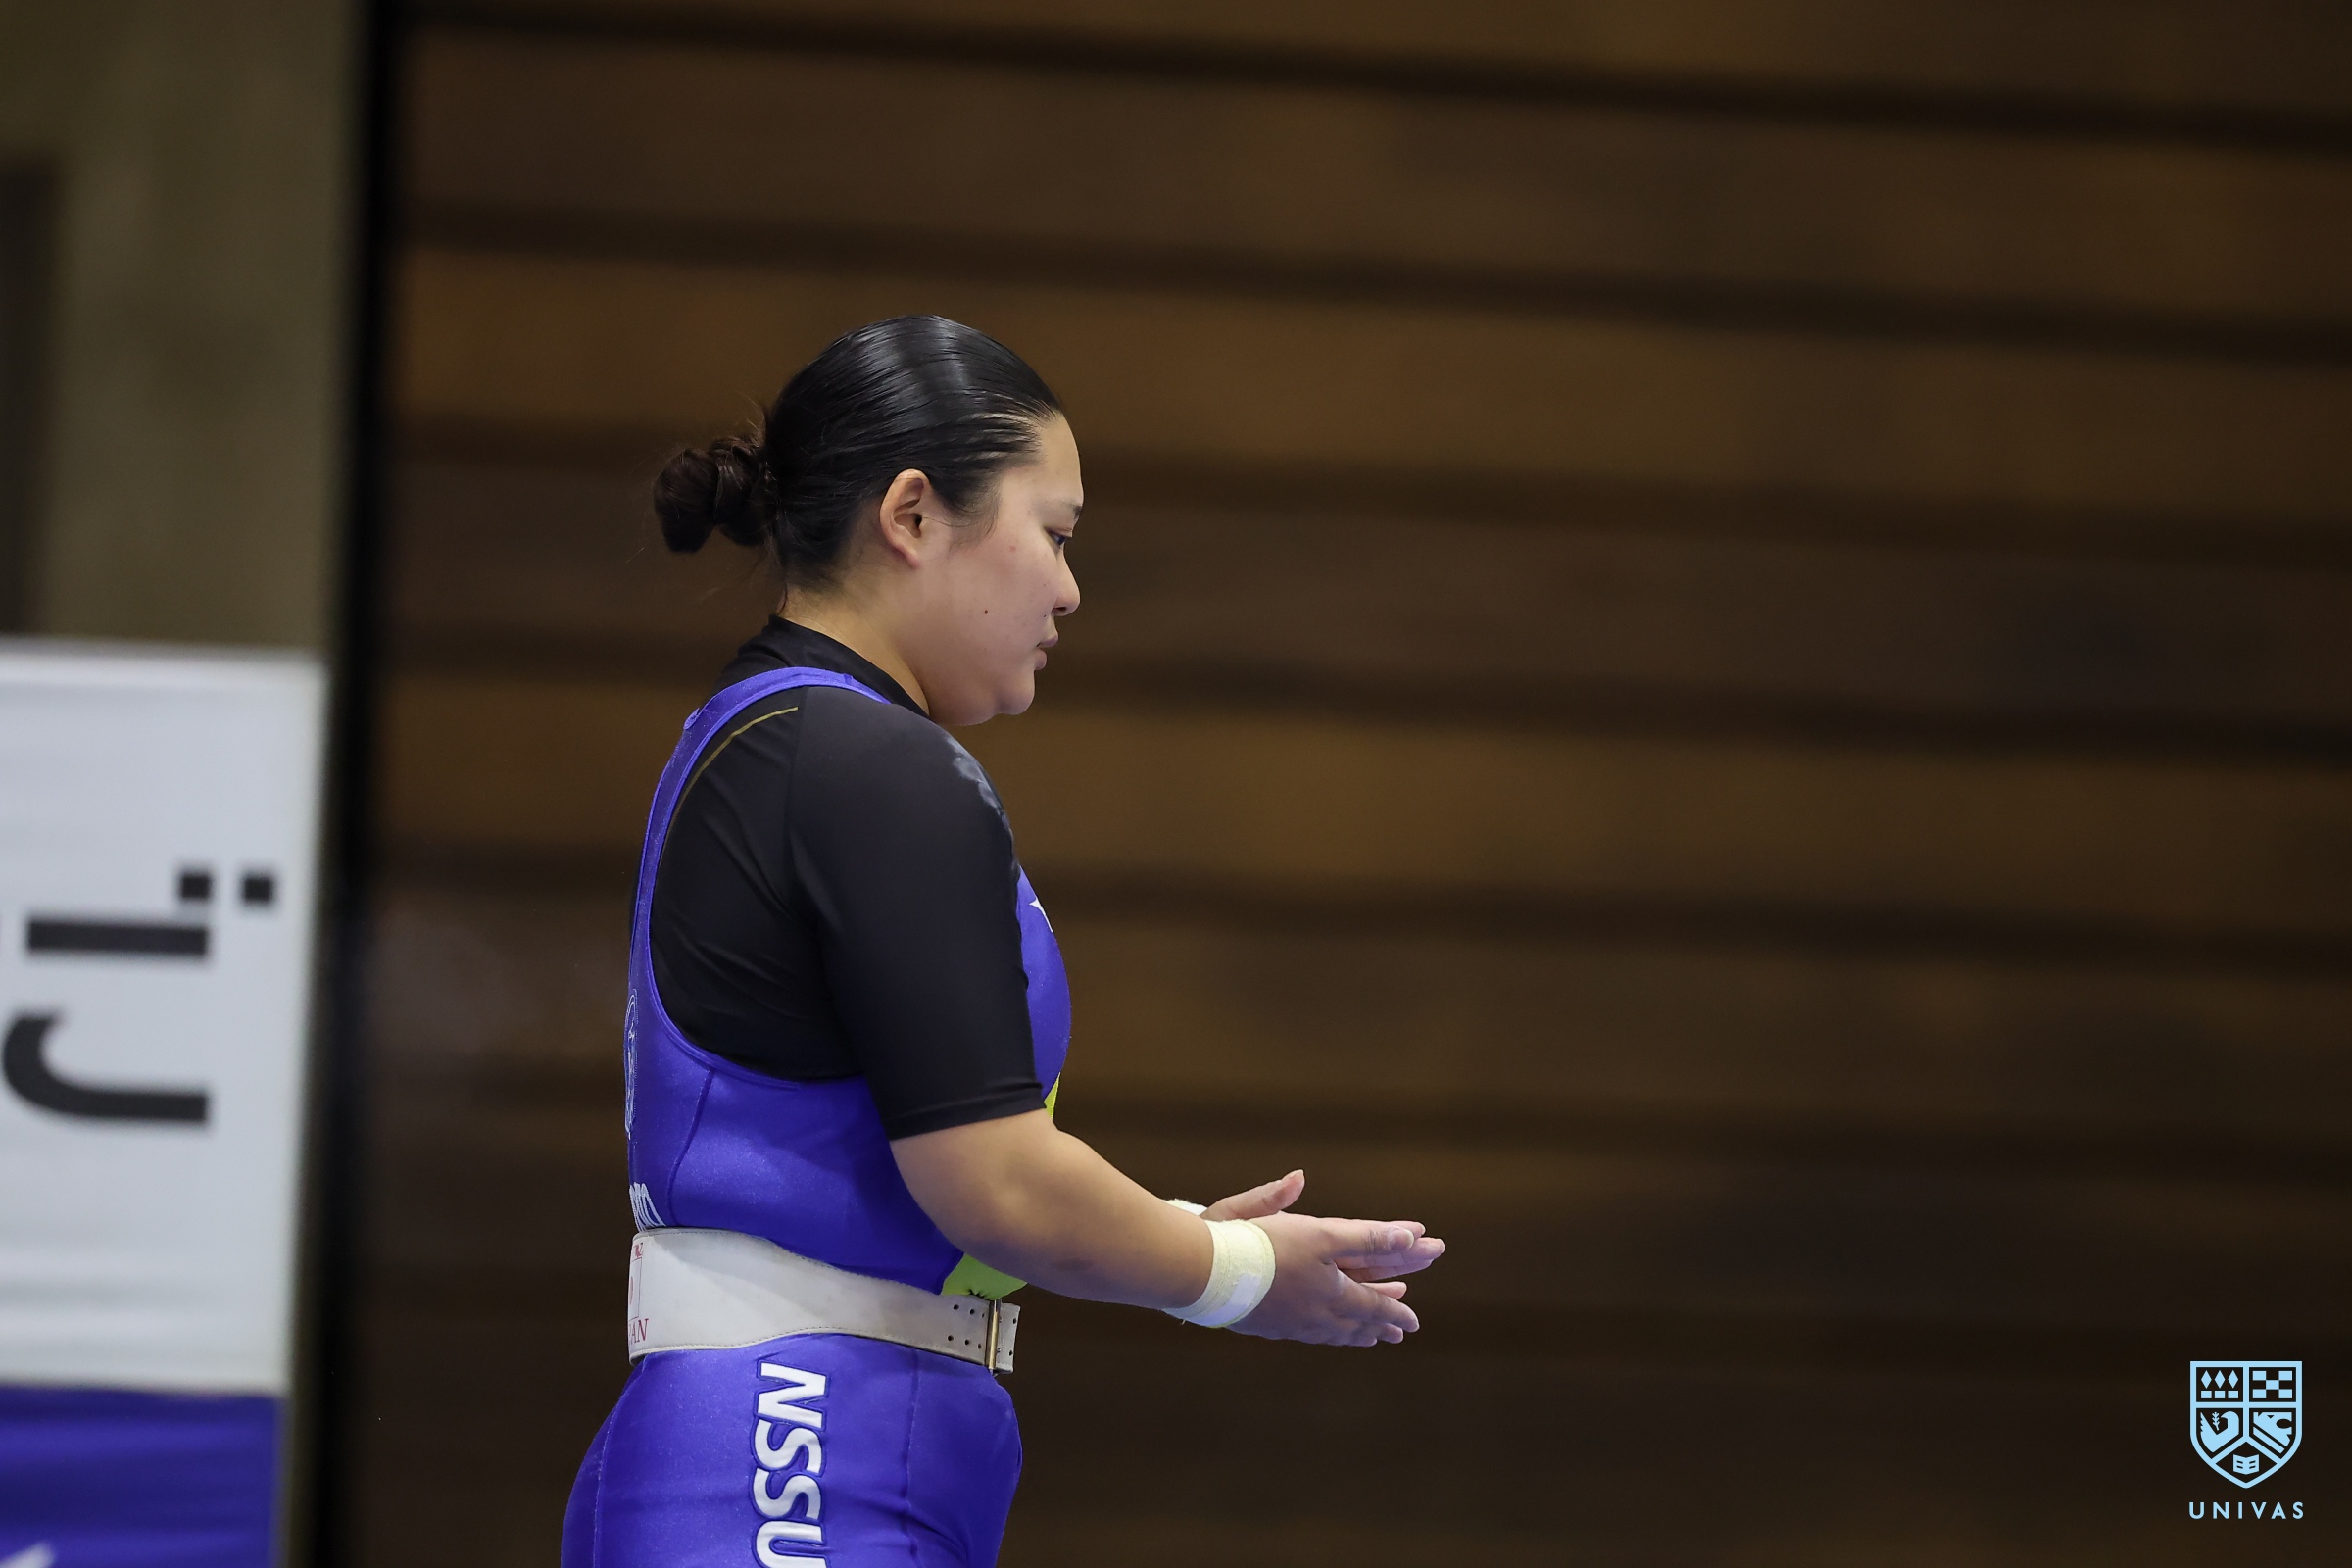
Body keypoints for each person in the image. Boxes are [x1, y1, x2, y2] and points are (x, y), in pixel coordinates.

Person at [561, 316, 1445, 1567]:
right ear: (914, 515)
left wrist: (1160, 1226)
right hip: (789, 1458)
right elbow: (998, 1184)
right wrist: (1235, 1269)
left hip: (793, 1448)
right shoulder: (868, 765)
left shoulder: (793, 744)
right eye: (1055, 532)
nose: (1071, 589)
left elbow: (909, 1160)